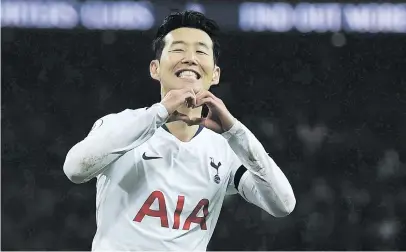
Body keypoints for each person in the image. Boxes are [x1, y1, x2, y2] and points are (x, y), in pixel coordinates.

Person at [63, 10, 296, 251]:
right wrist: (160, 112)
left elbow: (283, 204)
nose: (190, 58)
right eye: (178, 49)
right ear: (155, 68)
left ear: (214, 74)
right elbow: (75, 170)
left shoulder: (225, 149)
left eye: (201, 51)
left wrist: (235, 130)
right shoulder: (120, 125)